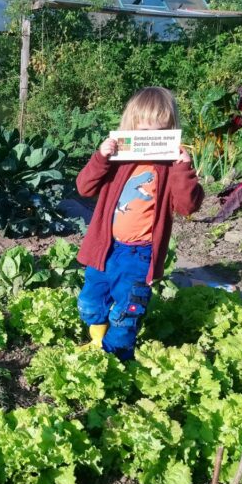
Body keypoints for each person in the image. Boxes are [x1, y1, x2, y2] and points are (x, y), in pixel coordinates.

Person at [76, 86, 203, 360]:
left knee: (127, 311)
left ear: (170, 132)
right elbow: (84, 188)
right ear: (131, 127)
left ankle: (116, 357)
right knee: (89, 302)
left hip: (138, 254)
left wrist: (184, 168)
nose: (150, 140)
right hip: (104, 248)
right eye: (144, 132)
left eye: (159, 134)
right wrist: (100, 157)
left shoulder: (170, 168)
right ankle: (99, 340)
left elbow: (188, 206)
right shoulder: (118, 161)